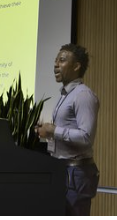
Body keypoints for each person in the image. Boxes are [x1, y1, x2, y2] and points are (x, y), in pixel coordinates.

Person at [35, 43, 100, 215]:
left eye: (62, 60)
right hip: (63, 169)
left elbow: (86, 137)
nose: (56, 64)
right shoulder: (65, 95)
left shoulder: (83, 95)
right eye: (56, 60)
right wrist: (45, 131)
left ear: (76, 66)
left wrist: (53, 130)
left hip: (76, 172)